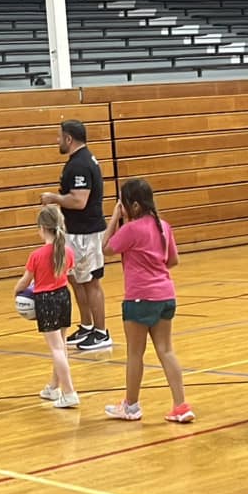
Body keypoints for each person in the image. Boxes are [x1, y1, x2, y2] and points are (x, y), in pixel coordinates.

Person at [102, 179, 195, 423]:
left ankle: (131, 406)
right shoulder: (163, 225)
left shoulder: (131, 229)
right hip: (166, 295)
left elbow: (105, 248)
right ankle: (181, 406)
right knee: (166, 350)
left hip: (140, 297)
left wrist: (114, 218)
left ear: (131, 205)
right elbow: (172, 260)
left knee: (135, 354)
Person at [41, 119, 111, 351]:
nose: (57, 140)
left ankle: (101, 333)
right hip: (75, 232)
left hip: (87, 233)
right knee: (75, 279)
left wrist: (54, 199)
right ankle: (87, 325)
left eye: (59, 136)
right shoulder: (77, 161)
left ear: (69, 139)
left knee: (91, 282)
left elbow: (79, 201)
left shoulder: (80, 164)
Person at [13, 204, 79, 408]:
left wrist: (16, 291)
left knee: (57, 348)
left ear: (42, 227)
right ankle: (54, 387)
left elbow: (25, 281)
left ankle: (69, 392)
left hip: (46, 300)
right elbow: (67, 273)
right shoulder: (67, 251)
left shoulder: (37, 255)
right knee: (61, 346)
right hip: (63, 297)